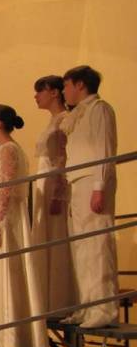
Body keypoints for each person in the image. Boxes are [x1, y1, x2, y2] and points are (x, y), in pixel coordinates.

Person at [0, 105, 48, 347]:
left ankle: (12, 340)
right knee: (2, 272)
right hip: (0, 213)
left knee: (8, 271)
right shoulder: (3, 150)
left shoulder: (8, 149)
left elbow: (7, 187)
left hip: (6, 218)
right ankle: (2, 339)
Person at [61, 66, 118, 329]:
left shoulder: (99, 109)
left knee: (97, 245)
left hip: (93, 182)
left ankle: (104, 308)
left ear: (80, 85)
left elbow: (104, 148)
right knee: (81, 248)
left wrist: (99, 186)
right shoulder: (77, 115)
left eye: (66, 85)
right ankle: (87, 305)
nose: (64, 91)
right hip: (77, 183)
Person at [32, 75, 74, 313]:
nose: (36, 96)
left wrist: (58, 193)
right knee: (44, 238)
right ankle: (46, 298)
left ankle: (59, 299)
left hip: (54, 185)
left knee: (56, 236)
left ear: (54, 92)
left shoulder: (63, 120)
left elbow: (61, 158)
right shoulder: (52, 121)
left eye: (41, 91)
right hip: (44, 184)